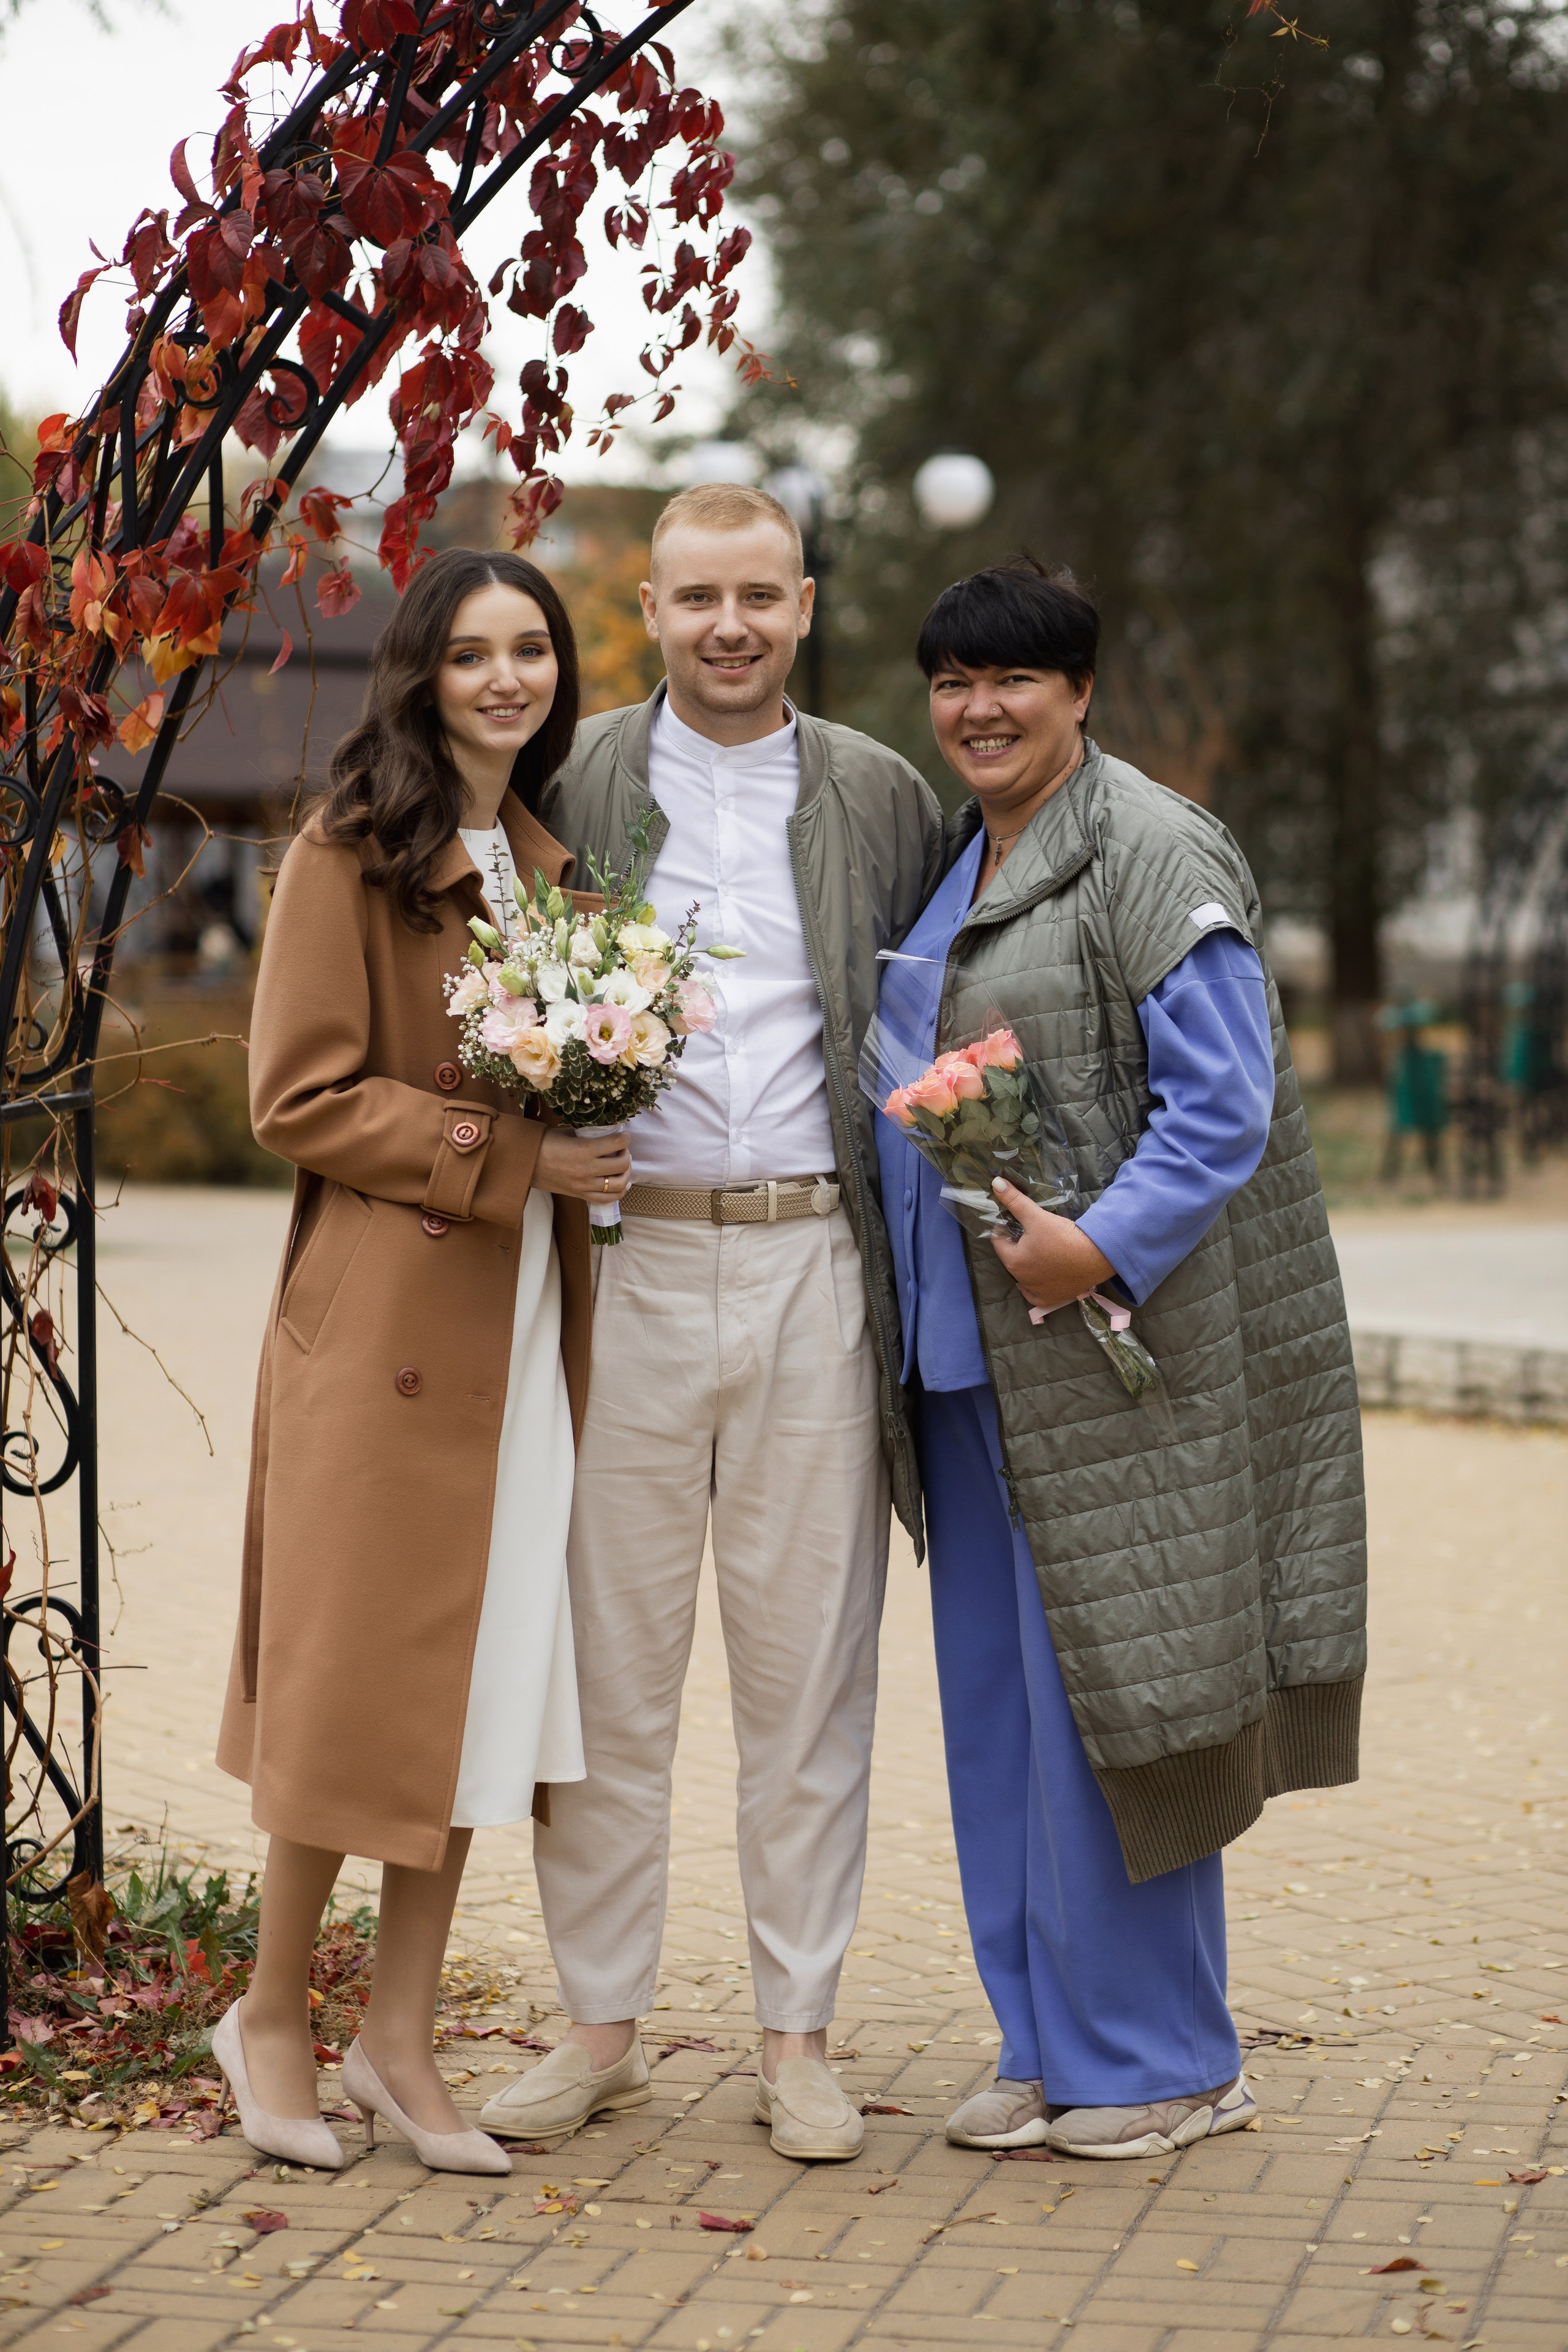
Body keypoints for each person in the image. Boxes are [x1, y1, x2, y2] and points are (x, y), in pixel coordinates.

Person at [875, 558, 1366, 2162]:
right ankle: (1048, 2043)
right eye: (953, 681)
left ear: (1080, 692)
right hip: (970, 1370)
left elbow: (1221, 1101)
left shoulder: (1147, 845)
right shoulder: (971, 852)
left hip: (1099, 1361)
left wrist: (1100, 1245)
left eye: (1013, 679)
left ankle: (1171, 2057)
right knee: (1003, 1728)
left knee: (1124, 1715)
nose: (979, 708)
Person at [478, 482, 945, 2162]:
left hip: (818, 1258)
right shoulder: (579, 778)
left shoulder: (883, 793)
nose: (728, 625)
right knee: (606, 1672)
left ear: (805, 605)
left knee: (808, 1668)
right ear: (652, 613)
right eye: (696, 599)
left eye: (759, 595)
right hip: (633, 1267)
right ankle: (596, 2024)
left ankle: (796, 2034)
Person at [213, 548, 631, 2173]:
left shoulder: (563, 871)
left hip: (522, 1329)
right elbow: (297, 1096)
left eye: (532, 650)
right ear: (423, 675)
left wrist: (607, 1117)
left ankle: (398, 2036)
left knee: (482, 1678)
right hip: (388, 1328)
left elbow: (585, 1090)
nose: (509, 677)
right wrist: (514, 1157)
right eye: (474, 654)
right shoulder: (349, 850)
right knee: (348, 1681)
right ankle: (266, 2016)